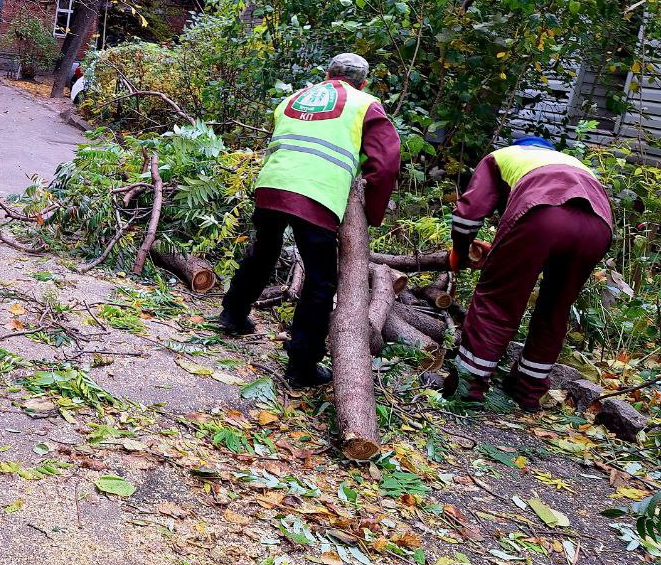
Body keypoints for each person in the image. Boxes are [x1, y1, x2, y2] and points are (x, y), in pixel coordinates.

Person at [217, 53, 400, 388]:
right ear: (363, 82)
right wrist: (372, 212)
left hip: (272, 185)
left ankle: (232, 315)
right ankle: (301, 364)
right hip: (316, 193)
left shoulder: (293, 99)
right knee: (320, 281)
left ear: (327, 74)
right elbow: (385, 164)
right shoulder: (366, 104)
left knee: (263, 253)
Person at [445, 136, 612, 411]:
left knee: (497, 301)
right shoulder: (573, 164)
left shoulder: (501, 156)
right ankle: (528, 391)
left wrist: (460, 251)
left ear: (519, 145)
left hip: (540, 213)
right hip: (598, 228)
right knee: (555, 308)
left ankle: (466, 387)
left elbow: (468, 214)